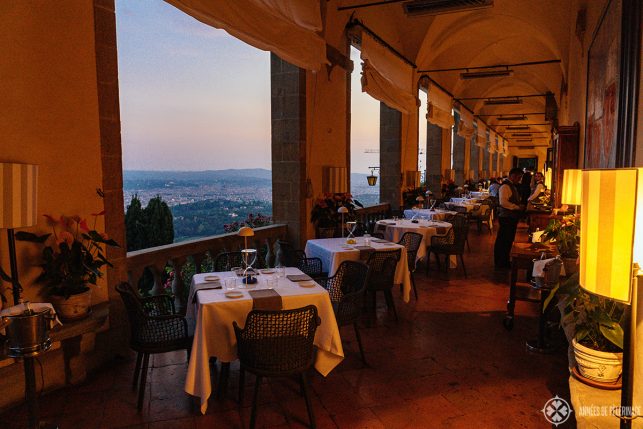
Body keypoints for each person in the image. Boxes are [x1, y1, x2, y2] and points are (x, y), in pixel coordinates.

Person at [494, 167, 525, 270]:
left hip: (511, 217)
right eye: (519, 177)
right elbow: (503, 202)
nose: (519, 179)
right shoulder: (505, 186)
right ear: (513, 176)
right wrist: (517, 207)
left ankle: (505, 261)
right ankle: (501, 263)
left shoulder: (511, 186)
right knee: (503, 240)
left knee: (508, 240)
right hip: (506, 217)